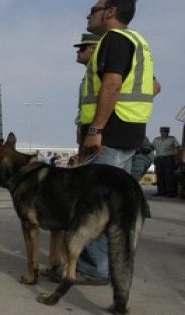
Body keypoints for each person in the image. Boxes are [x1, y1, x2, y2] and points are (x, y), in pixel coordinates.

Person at [76, 0, 158, 285]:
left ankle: (95, 267)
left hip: (108, 133)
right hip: (129, 132)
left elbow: (111, 84)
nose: (88, 15)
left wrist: (96, 127)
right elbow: (155, 86)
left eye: (93, 10)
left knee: (97, 203)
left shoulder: (114, 39)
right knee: (113, 202)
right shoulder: (138, 42)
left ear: (109, 12)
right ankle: (107, 264)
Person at [73, 33, 101, 148]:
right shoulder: (89, 75)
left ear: (95, 49)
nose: (78, 52)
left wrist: (96, 129)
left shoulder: (107, 71)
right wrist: (80, 124)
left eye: (82, 48)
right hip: (88, 129)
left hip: (97, 132)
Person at [152, 127, 180, 197]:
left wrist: (177, 159)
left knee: (169, 176)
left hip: (169, 159)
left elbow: (178, 148)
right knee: (159, 176)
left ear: (168, 132)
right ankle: (161, 192)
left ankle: (170, 192)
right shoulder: (156, 140)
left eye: (166, 131)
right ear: (160, 131)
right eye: (163, 131)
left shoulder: (172, 139)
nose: (164, 132)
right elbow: (151, 147)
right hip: (159, 159)